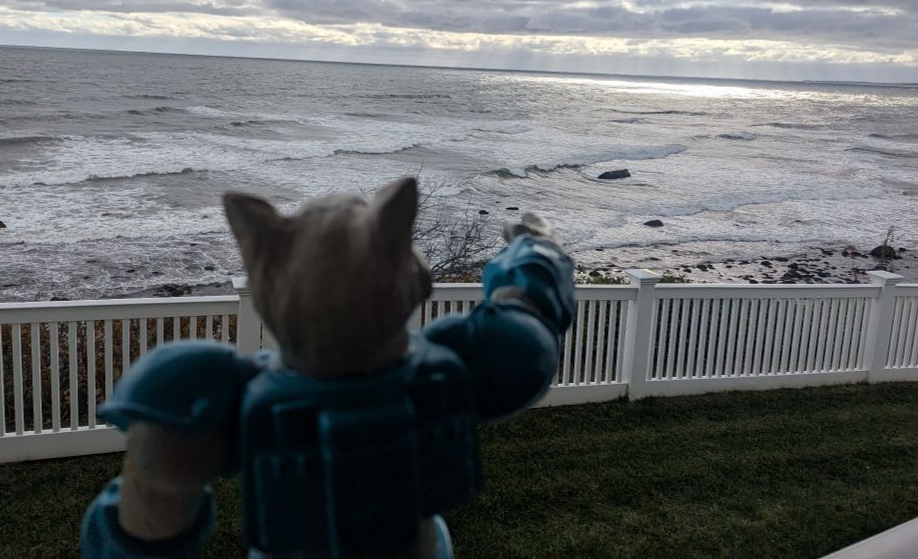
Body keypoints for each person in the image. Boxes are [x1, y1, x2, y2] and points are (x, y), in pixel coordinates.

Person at [82, 178, 574, 559]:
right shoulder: (449, 368)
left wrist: (162, 454)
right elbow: (526, 320)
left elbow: (142, 530)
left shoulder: (204, 390)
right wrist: (535, 246)